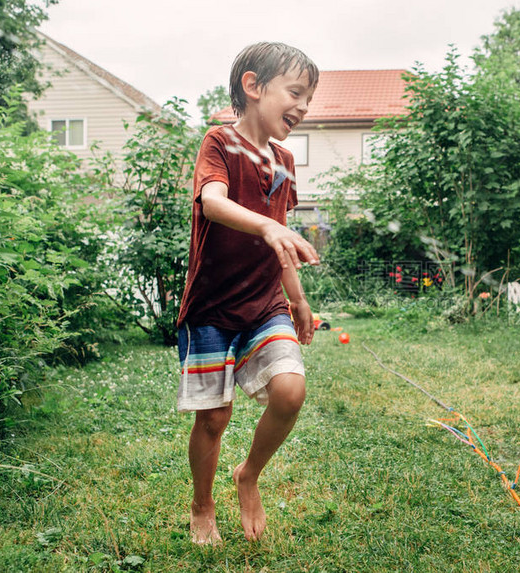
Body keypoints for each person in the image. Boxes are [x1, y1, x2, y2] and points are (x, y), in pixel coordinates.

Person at [176, 42, 320, 544]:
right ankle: (202, 502)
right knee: (214, 417)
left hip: (265, 304)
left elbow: (278, 234)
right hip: (212, 306)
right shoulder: (220, 142)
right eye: (296, 92)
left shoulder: (283, 161)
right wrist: (266, 226)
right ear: (253, 87)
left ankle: (249, 474)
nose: (303, 107)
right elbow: (212, 203)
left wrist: (297, 299)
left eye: (309, 98)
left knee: (290, 390)